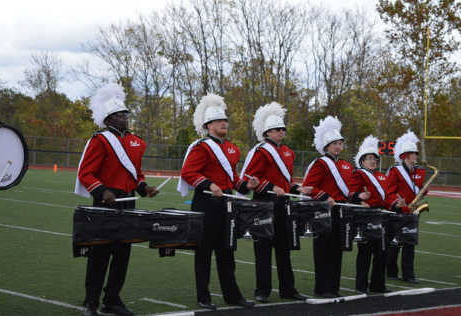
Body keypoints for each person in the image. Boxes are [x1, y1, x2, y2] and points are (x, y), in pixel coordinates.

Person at [75, 83, 159, 316]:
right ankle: (90, 301)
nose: (125, 117)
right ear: (109, 119)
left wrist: (144, 188)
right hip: (105, 202)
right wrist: (102, 191)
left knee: (123, 254)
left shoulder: (137, 142)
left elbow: (136, 174)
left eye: (126, 114)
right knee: (100, 254)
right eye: (119, 115)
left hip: (128, 201)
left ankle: (112, 299)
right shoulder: (100, 140)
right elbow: (85, 173)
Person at [178, 93, 257, 310]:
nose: (224, 123)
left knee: (227, 251)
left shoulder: (232, 149)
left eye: (225, 121)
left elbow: (232, 178)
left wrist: (246, 185)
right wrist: (209, 184)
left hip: (226, 205)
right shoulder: (201, 147)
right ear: (208, 125)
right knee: (204, 253)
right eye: (219, 121)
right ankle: (203, 296)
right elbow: (188, 172)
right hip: (206, 204)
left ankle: (232, 295)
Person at [239, 102, 310, 303]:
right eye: (278, 129)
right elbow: (250, 177)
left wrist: (298, 189)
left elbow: (286, 182)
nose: (282, 132)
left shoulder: (288, 152)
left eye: (283, 129)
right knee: (263, 247)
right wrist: (270, 187)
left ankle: (288, 289)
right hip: (263, 203)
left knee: (284, 248)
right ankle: (262, 290)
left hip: (283, 204)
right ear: (268, 132)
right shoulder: (261, 150)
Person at [302, 116, 353, 298]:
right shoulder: (320, 163)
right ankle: (322, 288)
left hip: (341, 212)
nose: (338, 146)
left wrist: (360, 196)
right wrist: (325, 197)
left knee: (336, 251)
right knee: (323, 251)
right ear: (326, 147)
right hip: (324, 213)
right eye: (334, 144)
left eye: (340, 143)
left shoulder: (346, 165)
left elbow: (350, 189)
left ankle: (334, 286)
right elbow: (309, 188)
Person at [348, 136, 391, 294]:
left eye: (375, 159)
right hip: (365, 217)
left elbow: (387, 196)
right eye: (369, 158)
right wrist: (360, 199)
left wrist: (395, 204)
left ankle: (378, 285)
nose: (373, 161)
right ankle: (361, 287)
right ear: (362, 161)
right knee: (365, 253)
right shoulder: (358, 174)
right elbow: (350, 192)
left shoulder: (382, 177)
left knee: (382, 252)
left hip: (381, 217)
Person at [385, 130, 425, 284]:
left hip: (414, 210)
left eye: (416, 153)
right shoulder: (395, 171)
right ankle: (391, 271)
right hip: (399, 210)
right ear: (405, 155)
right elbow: (389, 191)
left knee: (410, 242)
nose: (415, 155)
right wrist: (399, 204)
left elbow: (420, 188)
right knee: (396, 242)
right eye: (413, 153)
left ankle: (409, 274)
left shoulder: (420, 171)